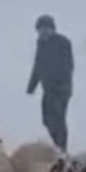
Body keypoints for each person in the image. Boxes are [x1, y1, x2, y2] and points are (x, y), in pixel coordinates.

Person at [27, 14, 74, 152]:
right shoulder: (41, 44)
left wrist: (59, 80)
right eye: (41, 30)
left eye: (46, 29)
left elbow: (68, 65)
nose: (43, 32)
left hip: (61, 89)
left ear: (52, 29)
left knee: (58, 120)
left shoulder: (63, 43)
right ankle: (57, 146)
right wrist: (31, 86)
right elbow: (38, 66)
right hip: (48, 90)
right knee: (47, 120)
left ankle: (62, 149)